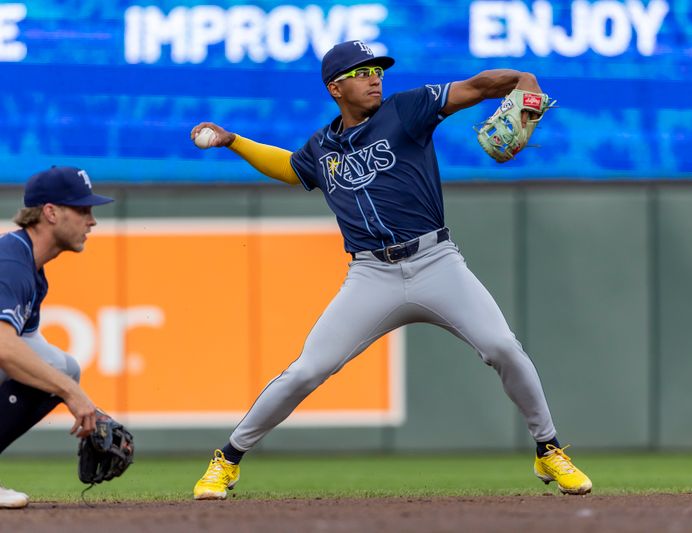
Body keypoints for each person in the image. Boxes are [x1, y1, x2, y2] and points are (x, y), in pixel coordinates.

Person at [190, 40, 592, 499]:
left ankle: (548, 449)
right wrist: (234, 142)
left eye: (377, 69)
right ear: (335, 87)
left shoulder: (408, 109)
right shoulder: (323, 148)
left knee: (503, 347)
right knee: (307, 370)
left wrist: (525, 82)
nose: (375, 77)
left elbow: (479, 87)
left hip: (436, 262)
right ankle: (227, 459)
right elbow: (291, 168)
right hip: (370, 276)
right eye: (362, 72)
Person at [0, 166, 113, 508]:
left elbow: (32, 354)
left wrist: (87, 403)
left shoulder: (29, 267)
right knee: (62, 377)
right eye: (82, 210)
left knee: (61, 368)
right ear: (50, 212)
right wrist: (71, 392)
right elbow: (4, 348)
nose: (91, 221)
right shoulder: (11, 264)